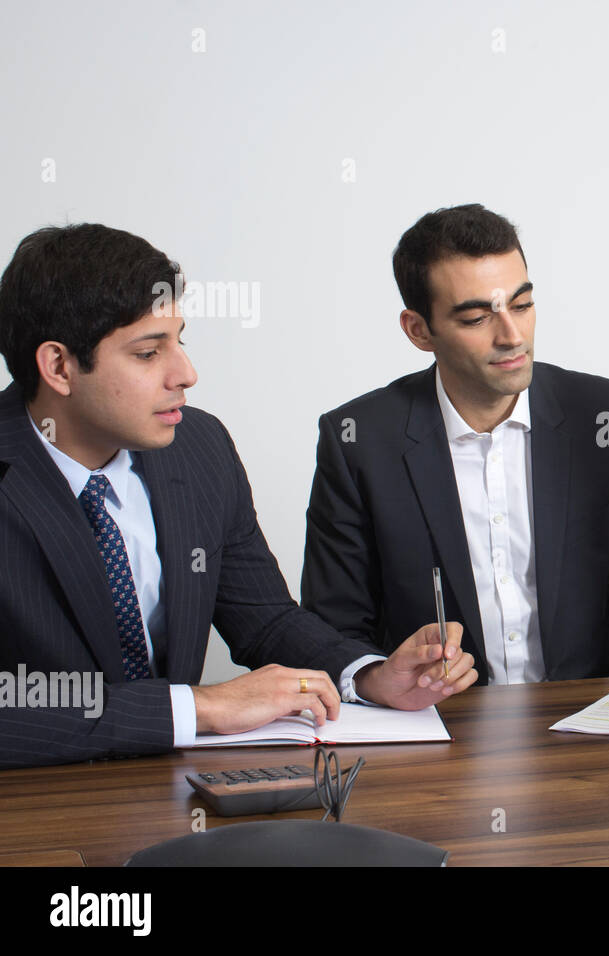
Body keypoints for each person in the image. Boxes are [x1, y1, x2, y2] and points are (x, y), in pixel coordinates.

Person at [0, 223, 476, 770]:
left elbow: (264, 620)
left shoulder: (198, 445)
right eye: (148, 353)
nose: (186, 374)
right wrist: (196, 707)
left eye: (180, 340)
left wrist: (370, 677)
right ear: (59, 366)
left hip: (178, 796)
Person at [301, 204, 609, 683]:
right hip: (438, 733)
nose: (512, 336)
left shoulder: (607, 416)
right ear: (418, 331)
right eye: (476, 318)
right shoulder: (358, 441)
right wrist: (382, 682)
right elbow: (334, 633)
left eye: (522, 304)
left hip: (592, 726)